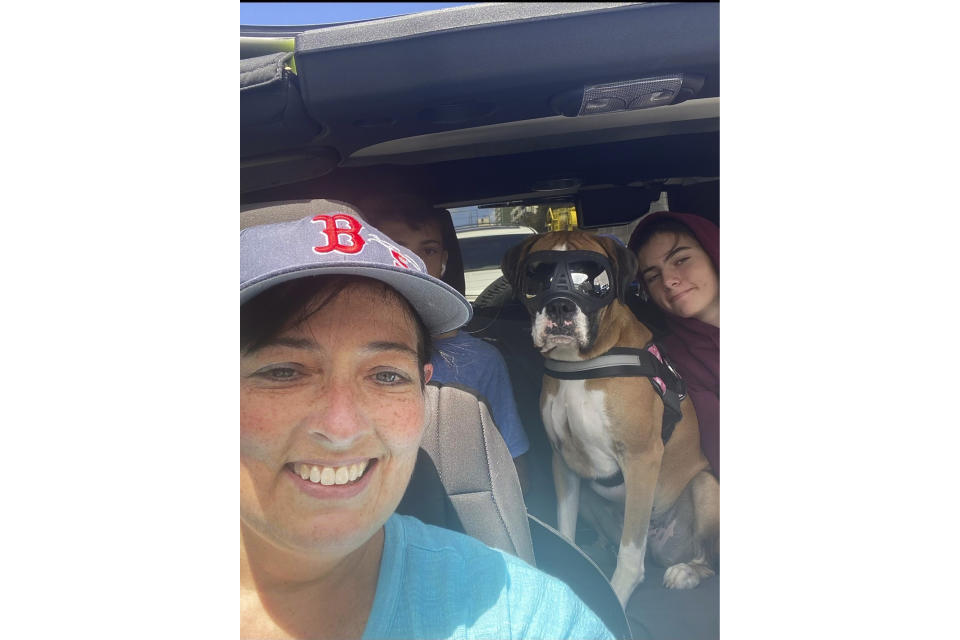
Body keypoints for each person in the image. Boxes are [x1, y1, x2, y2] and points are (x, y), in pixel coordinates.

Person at [240, 205, 614, 640]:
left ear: (424, 389)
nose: (341, 428)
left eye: (386, 376)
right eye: (282, 371)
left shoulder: (519, 612)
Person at [356, 193, 532, 491]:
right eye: (397, 248)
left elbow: (513, 463)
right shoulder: (349, 352)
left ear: (444, 261)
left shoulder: (480, 359)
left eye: (429, 250)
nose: (414, 261)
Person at [627, 211, 720, 478]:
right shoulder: (668, 363)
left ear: (715, 252)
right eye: (653, 276)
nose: (668, 281)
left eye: (681, 260)